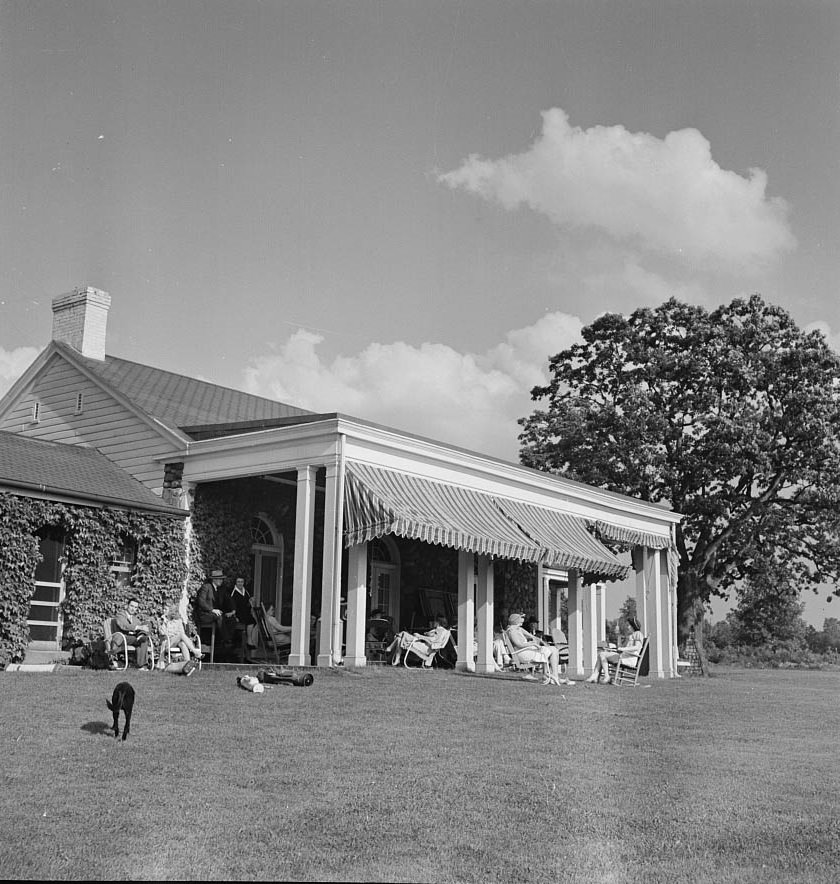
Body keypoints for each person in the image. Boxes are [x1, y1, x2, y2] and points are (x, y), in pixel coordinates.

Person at [505, 612, 572, 686]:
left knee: (553, 649)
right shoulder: (512, 631)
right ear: (516, 620)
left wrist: (539, 640)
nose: (522, 619)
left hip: (527, 650)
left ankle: (553, 676)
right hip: (523, 653)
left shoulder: (518, 629)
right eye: (521, 618)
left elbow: (531, 636)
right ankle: (551, 675)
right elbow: (519, 644)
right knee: (552, 650)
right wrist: (533, 643)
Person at [587, 616, 644, 684]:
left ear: (633, 626)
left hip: (629, 658)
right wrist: (619, 636)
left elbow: (636, 647)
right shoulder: (630, 636)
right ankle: (597, 676)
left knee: (602, 654)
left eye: (629, 625)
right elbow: (620, 647)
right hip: (623, 657)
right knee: (601, 654)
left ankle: (602, 676)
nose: (627, 627)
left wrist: (623, 649)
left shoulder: (638, 633)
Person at [385, 615, 449, 667]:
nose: (433, 623)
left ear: (438, 623)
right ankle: (396, 660)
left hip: (425, 648)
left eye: (434, 621)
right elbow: (432, 637)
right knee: (400, 638)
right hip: (422, 644)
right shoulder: (437, 630)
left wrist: (420, 636)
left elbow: (433, 640)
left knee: (403, 634)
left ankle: (390, 649)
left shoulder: (441, 631)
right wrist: (426, 634)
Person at [113, 597, 152, 670]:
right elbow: (124, 626)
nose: (133, 609)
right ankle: (142, 665)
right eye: (131, 606)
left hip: (133, 639)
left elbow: (142, 627)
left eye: (135, 607)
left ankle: (141, 666)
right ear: (127, 606)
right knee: (142, 639)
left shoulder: (135, 619)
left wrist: (143, 629)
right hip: (122, 638)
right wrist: (139, 627)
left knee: (147, 625)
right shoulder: (120, 615)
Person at [227, 576, 257, 662]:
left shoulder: (246, 591)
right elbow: (231, 605)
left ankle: (250, 639)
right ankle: (249, 641)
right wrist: (234, 616)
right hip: (238, 614)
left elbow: (248, 603)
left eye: (242, 582)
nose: (240, 583)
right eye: (238, 582)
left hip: (246, 613)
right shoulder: (232, 592)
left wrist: (251, 602)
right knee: (248, 620)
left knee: (252, 620)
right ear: (235, 583)